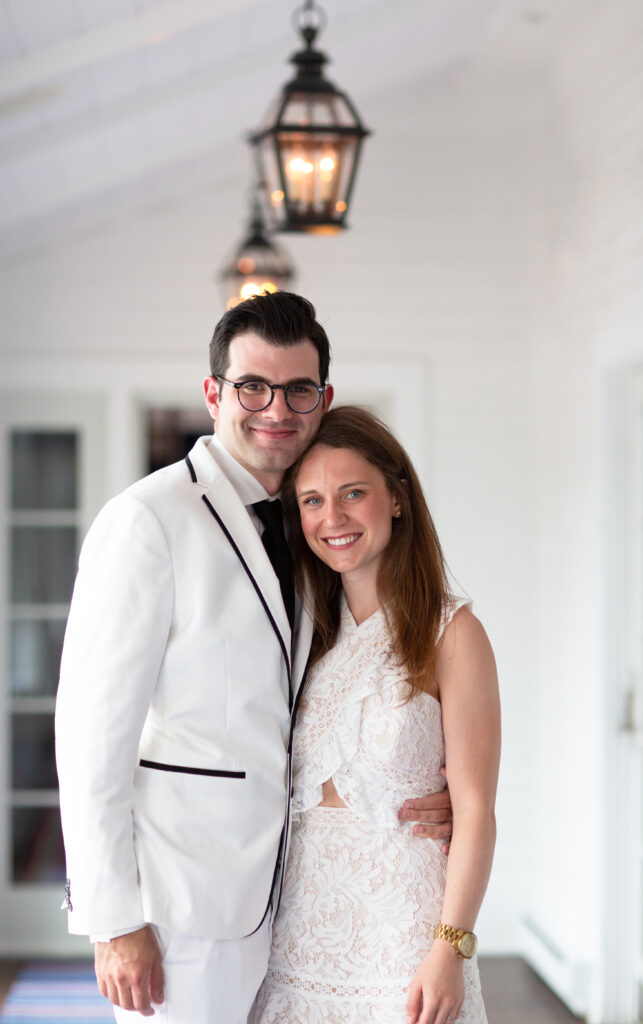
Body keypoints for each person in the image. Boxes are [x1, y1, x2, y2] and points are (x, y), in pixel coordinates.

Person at [55, 293, 454, 1024]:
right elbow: (90, 735)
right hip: (181, 907)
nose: (277, 408)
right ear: (214, 393)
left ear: (323, 397)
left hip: (294, 901)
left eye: (299, 390)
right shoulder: (147, 520)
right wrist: (112, 919)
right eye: (252, 387)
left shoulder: (310, 530)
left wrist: (422, 781)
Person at [252, 405, 501, 1024]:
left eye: (352, 494)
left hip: (404, 936)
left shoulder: (453, 632)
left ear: (396, 498)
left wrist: (451, 947)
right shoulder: (302, 635)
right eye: (311, 500)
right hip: (297, 935)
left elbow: (474, 811)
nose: (330, 518)